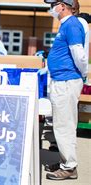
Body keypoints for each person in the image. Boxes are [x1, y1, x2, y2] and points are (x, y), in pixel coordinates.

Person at [41, 0, 88, 180]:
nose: (51, 7)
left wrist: (81, 75)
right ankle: (65, 162)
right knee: (61, 124)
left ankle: (69, 167)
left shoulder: (72, 25)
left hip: (67, 81)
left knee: (64, 126)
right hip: (62, 80)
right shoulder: (66, 25)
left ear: (62, 6)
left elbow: (80, 55)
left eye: (53, 4)